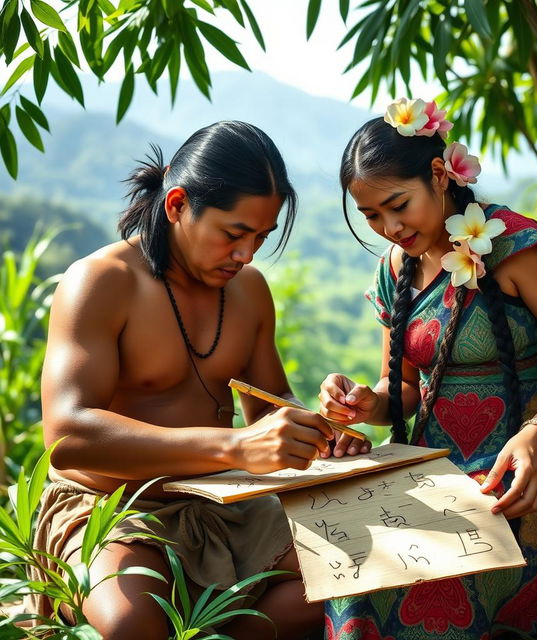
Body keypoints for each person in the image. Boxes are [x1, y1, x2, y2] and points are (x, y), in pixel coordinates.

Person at [30, 121, 368, 640]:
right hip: (113, 508)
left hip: (225, 503)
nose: (247, 255)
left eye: (260, 237)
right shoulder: (102, 282)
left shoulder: (250, 292)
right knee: (133, 624)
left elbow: (269, 407)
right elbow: (68, 437)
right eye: (233, 234)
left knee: (352, 578)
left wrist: (321, 429)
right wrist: (235, 448)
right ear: (177, 204)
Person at [318, 98, 537, 639]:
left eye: (397, 205)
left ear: (438, 174)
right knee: (358, 571)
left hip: (523, 460)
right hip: (435, 459)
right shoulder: (395, 269)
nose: (388, 227)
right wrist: (366, 402)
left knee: (435, 577)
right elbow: (402, 386)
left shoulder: (514, 249)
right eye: (372, 216)